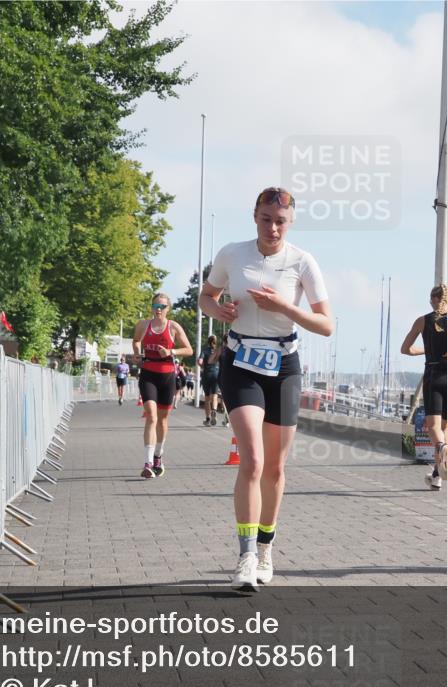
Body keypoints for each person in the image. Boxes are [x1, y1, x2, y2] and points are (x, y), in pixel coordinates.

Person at [198, 187, 332, 591]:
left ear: (290, 222)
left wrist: (285, 308)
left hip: (284, 365)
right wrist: (218, 309)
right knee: (252, 461)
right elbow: (207, 296)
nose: (272, 227)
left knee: (275, 467)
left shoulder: (302, 262)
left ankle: (267, 548)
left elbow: (326, 324)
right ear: (254, 216)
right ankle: (246, 556)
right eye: (265, 219)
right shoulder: (232, 254)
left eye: (280, 221)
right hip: (241, 363)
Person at [400, 283, 447, 491]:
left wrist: (426, 351)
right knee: (444, 428)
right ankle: (437, 475)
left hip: (434, 374)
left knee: (434, 429)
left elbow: (405, 349)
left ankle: (442, 448)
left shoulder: (422, 321)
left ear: (432, 300)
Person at [133, 294, 193, 478]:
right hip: (148, 373)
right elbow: (136, 341)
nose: (158, 309)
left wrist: (171, 351)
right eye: (155, 305)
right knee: (151, 416)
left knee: (163, 419)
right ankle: (148, 462)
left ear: (168, 308)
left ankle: (158, 455)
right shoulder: (143, 325)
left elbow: (189, 350)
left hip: (167, 374)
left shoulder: (173, 327)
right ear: (151, 307)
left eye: (162, 306)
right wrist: (137, 353)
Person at [199, 335, 223, 426]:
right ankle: (214, 410)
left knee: (207, 398)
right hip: (216, 374)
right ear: (215, 341)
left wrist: (202, 366)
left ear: (208, 341)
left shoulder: (204, 351)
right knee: (215, 396)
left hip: (206, 374)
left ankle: (208, 419)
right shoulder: (218, 350)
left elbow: (200, 361)